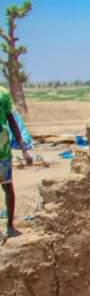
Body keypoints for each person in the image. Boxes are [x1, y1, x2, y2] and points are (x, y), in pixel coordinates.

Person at [0, 87, 32, 240]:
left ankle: (10, 226)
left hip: (3, 150)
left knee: (7, 186)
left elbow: (11, 119)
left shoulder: (3, 93)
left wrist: (23, 146)